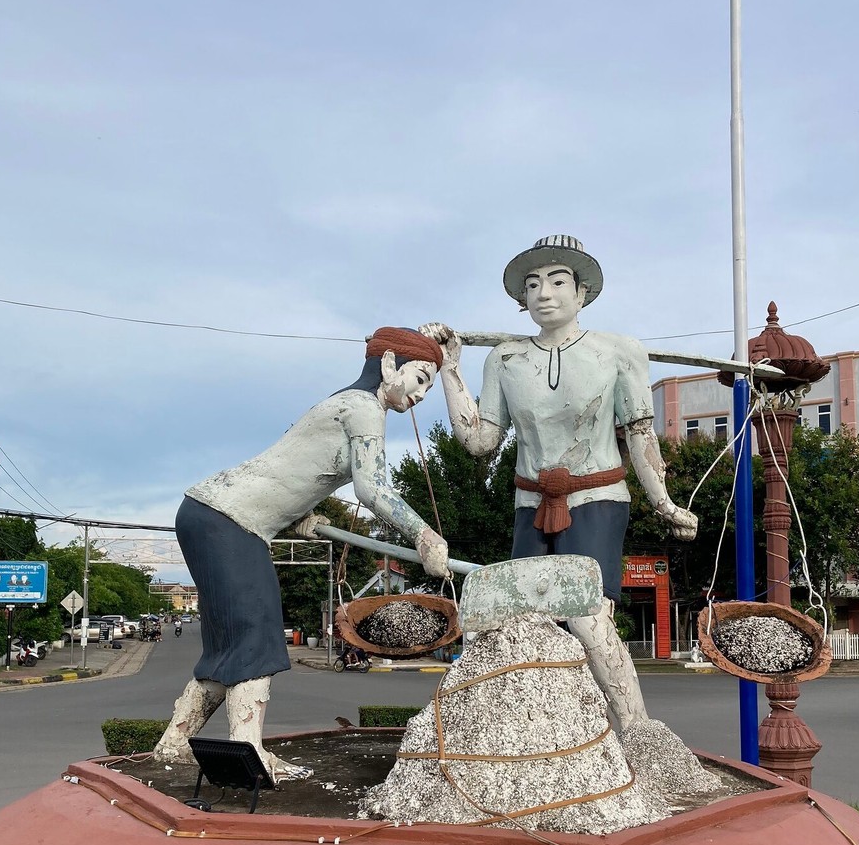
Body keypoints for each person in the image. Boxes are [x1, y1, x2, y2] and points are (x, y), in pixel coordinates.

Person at [423, 235, 697, 740]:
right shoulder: (504, 359)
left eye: (557, 281)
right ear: (520, 299)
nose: (543, 293)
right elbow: (481, 441)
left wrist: (663, 501)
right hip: (530, 501)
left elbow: (639, 433)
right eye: (532, 285)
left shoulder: (619, 352)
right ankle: (537, 734)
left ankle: (638, 730)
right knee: (518, 621)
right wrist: (450, 368)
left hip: (596, 497)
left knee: (590, 619)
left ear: (583, 291)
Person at [154, 327, 449, 778]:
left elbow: (293, 466)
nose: (423, 394)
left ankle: (175, 740)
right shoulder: (364, 408)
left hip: (208, 512)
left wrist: (299, 517)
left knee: (230, 645)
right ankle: (249, 755)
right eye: (422, 378)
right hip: (231, 521)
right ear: (390, 364)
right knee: (257, 637)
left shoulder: (338, 403)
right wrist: (424, 535)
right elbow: (372, 489)